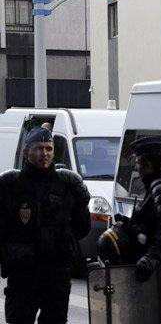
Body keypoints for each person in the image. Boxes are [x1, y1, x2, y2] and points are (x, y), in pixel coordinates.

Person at [0, 126, 91, 324]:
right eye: (39, 148)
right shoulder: (12, 185)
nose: (45, 153)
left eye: (49, 148)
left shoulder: (66, 184)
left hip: (56, 273)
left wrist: (63, 240)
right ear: (26, 152)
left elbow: (82, 226)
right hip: (23, 273)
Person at [98, 135, 161, 282]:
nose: (136, 167)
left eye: (138, 162)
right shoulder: (159, 184)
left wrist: (152, 257)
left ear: (148, 165)